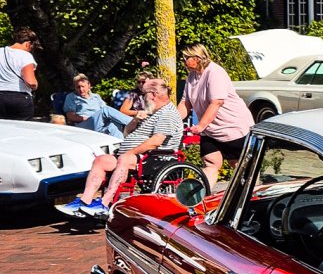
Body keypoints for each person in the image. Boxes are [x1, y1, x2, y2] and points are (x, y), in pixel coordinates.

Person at [60, 78, 183, 219]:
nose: (142, 98)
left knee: (124, 159)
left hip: (155, 158)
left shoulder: (167, 114)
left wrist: (130, 152)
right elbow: (127, 133)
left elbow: (155, 142)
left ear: (153, 94)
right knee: (101, 160)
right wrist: (136, 119)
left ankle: (104, 203)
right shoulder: (152, 112)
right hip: (134, 156)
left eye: (144, 95)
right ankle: (84, 201)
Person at [177, 43, 254, 187]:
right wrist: (173, 120)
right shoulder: (191, 77)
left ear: (197, 58)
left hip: (232, 127)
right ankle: (200, 199)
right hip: (211, 130)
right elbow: (185, 103)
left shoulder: (215, 73)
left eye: (185, 58)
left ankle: (252, 196)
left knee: (238, 165)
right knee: (211, 163)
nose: (183, 61)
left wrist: (200, 125)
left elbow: (216, 102)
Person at [63, 74, 129, 137]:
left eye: (83, 86)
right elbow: (71, 116)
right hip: (84, 124)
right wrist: (88, 118)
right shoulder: (71, 97)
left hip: (99, 124)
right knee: (106, 110)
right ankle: (134, 122)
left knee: (113, 126)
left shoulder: (96, 97)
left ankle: (122, 146)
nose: (81, 89)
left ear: (89, 85)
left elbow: (106, 112)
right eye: (78, 87)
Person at [0, 27, 40, 120]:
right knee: (22, 131)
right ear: (28, 44)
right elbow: (31, 82)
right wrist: (36, 85)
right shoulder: (25, 55)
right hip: (19, 98)